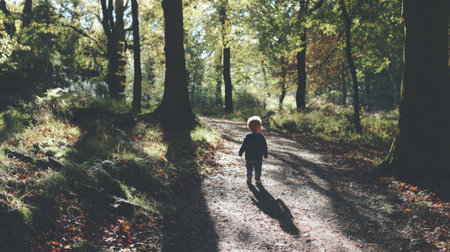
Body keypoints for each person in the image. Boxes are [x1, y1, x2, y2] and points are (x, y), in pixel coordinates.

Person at [239, 116, 268, 185]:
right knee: (258, 169)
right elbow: (264, 146)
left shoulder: (247, 136)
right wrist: (265, 153)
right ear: (259, 127)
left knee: (249, 168)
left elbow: (244, 146)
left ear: (249, 127)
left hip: (249, 156)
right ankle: (257, 180)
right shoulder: (261, 137)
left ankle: (249, 176)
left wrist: (241, 152)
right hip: (258, 157)